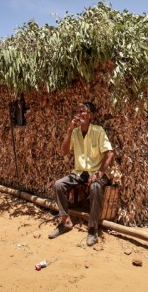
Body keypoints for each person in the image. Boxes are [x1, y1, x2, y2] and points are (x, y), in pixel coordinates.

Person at [48, 101, 115, 246]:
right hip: (79, 172)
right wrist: (69, 131)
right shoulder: (76, 132)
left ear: (90, 115)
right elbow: (64, 151)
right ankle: (65, 221)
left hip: (97, 171)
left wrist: (99, 173)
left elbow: (109, 153)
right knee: (58, 185)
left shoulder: (98, 131)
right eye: (77, 111)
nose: (78, 114)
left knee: (95, 187)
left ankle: (92, 229)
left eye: (82, 111)